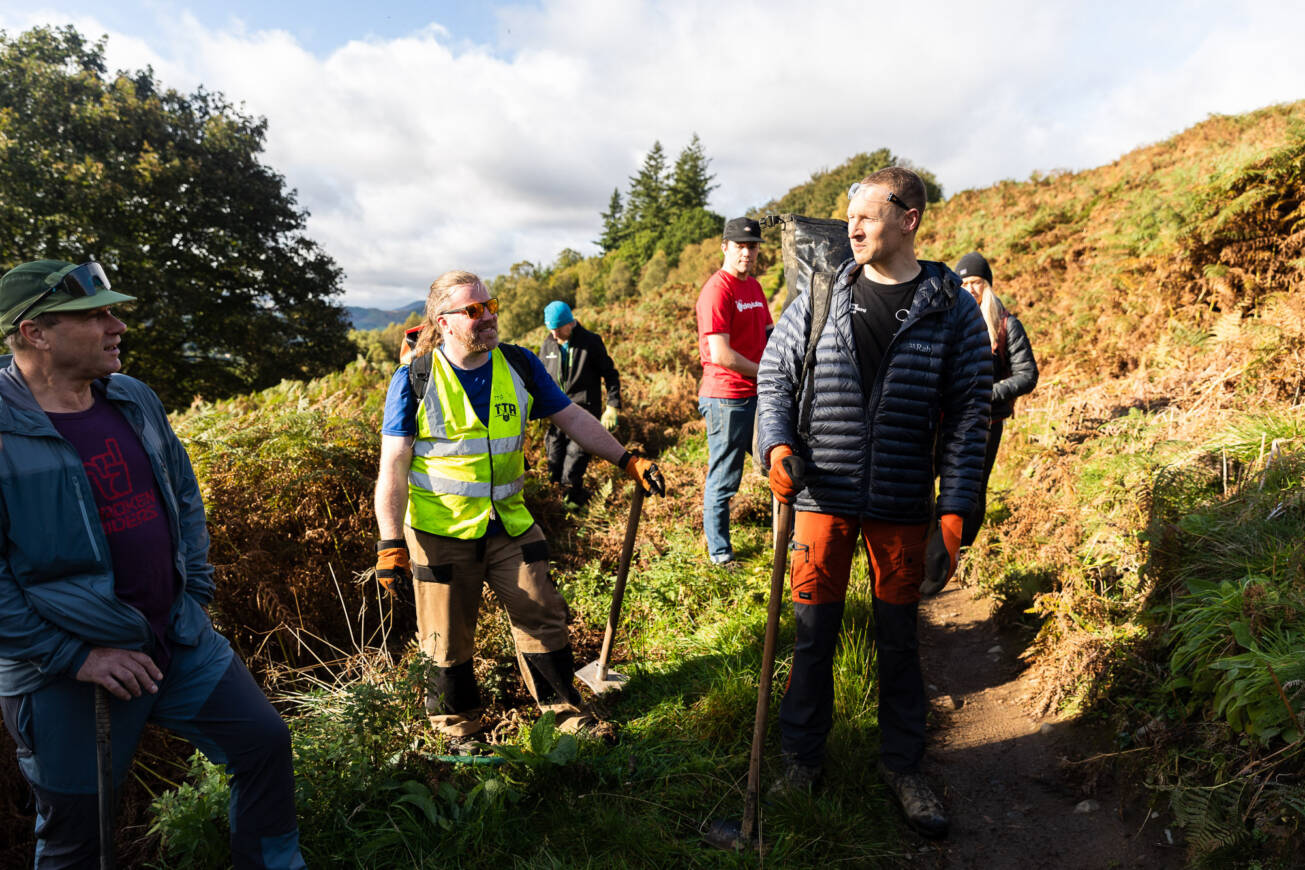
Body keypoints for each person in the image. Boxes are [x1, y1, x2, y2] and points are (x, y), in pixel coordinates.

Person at [0, 260, 305, 869]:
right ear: (36, 332)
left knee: (263, 744)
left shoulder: (132, 397)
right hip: (67, 672)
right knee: (76, 837)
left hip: (177, 636)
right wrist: (77, 657)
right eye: (97, 316)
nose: (118, 326)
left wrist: (190, 591)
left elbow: (183, 494)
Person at [756, 168, 993, 838]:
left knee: (897, 642)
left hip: (899, 501)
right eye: (848, 216)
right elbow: (775, 376)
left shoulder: (950, 308)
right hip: (820, 496)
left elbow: (971, 415)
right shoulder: (822, 291)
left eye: (864, 215)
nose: (851, 226)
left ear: (909, 218)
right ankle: (800, 762)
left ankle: (903, 767)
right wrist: (775, 447)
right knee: (810, 639)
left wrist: (954, 512)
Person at [373, 271, 664, 743]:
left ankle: (566, 717)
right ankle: (458, 734)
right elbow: (393, 467)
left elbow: (571, 416)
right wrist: (390, 544)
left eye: (491, 305)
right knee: (445, 640)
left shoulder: (519, 365)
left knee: (543, 613)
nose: (488, 316)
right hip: (438, 533)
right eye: (473, 310)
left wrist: (625, 460)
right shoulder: (414, 380)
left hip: (508, 523)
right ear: (444, 323)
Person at [695, 216, 773, 567]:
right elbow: (721, 355)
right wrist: (769, 373)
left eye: (753, 245)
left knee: (776, 465)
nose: (747, 252)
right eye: (740, 245)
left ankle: (786, 540)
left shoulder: (754, 288)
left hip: (759, 393)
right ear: (725, 247)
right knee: (725, 476)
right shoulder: (717, 290)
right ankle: (720, 554)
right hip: (726, 397)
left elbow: (770, 334)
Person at [951, 252, 1039, 547]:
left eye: (976, 282)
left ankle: (960, 552)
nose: (970, 289)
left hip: (987, 422)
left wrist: (987, 395)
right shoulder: (948, 321)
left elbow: (1027, 375)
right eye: (963, 284)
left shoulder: (1006, 326)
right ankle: (931, 548)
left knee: (973, 488)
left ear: (987, 285)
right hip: (945, 419)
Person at [538, 300, 623, 507]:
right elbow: (539, 379)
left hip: (584, 412)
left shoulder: (591, 342)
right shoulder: (548, 344)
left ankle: (573, 507)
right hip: (556, 413)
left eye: (558, 329)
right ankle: (555, 505)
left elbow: (610, 374)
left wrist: (612, 406)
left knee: (574, 461)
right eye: (551, 330)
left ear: (570, 323)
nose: (554, 335)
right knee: (553, 462)